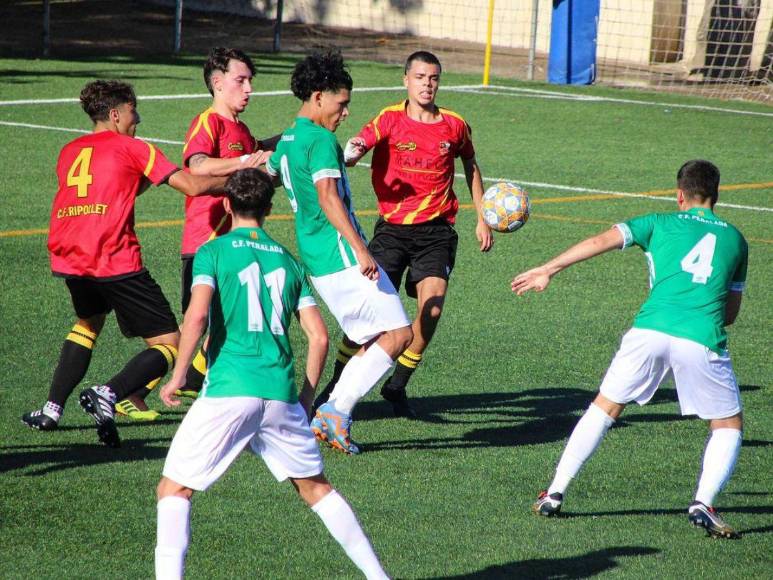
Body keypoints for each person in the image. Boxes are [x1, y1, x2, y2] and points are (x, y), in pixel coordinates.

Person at [154, 169, 388, 580]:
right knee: (316, 488)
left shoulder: (214, 251)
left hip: (229, 389)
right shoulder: (289, 261)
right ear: (269, 208)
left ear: (226, 205)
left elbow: (198, 316)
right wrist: (306, 399)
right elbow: (318, 338)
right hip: (279, 392)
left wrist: (177, 375)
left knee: (174, 490)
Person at [512, 160, 747, 539]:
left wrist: (549, 269)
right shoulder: (736, 240)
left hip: (649, 330)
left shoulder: (657, 222)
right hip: (702, 335)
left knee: (605, 407)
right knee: (727, 424)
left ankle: (555, 492)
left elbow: (598, 242)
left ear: (679, 195)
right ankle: (703, 502)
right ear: (716, 196)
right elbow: (731, 313)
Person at [21, 80, 228, 448]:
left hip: (70, 255)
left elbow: (117, 187)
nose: (139, 118)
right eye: (133, 111)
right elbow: (194, 187)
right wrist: (247, 175)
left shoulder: (69, 150)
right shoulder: (134, 147)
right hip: (113, 256)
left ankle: (52, 408)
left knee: (89, 322)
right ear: (116, 114)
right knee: (170, 343)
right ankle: (108, 393)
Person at [315, 50, 493, 418]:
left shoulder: (455, 125)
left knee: (432, 309)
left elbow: (470, 163)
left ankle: (397, 384)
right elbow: (361, 142)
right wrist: (353, 151)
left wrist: (482, 216)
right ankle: (337, 382)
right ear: (406, 81)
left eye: (433, 78)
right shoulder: (390, 118)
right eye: (420, 77)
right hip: (392, 233)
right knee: (369, 317)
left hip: (437, 232)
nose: (427, 85)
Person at [265, 49, 413, 454]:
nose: (345, 112)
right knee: (400, 335)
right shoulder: (321, 140)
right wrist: (362, 250)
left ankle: (324, 412)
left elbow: (267, 177)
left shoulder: (290, 138)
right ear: (318, 97)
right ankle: (334, 413)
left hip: (317, 258)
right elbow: (328, 197)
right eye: (341, 103)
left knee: (375, 339)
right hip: (342, 255)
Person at [122, 48, 272, 417]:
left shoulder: (242, 129)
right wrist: (243, 162)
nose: (249, 88)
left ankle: (197, 382)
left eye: (251, 81)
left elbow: (253, 163)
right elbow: (198, 165)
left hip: (233, 243)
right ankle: (128, 390)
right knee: (196, 325)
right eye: (241, 80)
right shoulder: (209, 122)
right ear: (217, 83)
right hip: (205, 244)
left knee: (232, 320)